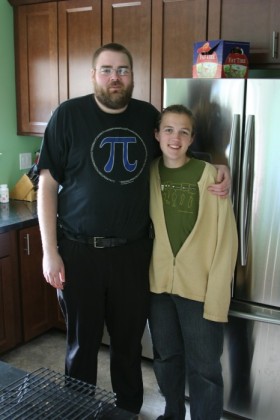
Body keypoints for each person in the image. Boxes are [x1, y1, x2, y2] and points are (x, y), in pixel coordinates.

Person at [37, 43, 231, 415]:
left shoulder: (147, 117)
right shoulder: (68, 116)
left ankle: (127, 413)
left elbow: (179, 154)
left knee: (127, 348)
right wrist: (49, 251)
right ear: (93, 75)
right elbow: (46, 185)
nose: (115, 77)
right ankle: (78, 412)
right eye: (107, 70)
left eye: (123, 70)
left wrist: (221, 167)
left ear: (132, 76)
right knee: (81, 346)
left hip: (133, 253)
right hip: (78, 252)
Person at [148, 104, 238, 420]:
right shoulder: (149, 174)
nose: (175, 138)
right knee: (166, 358)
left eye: (183, 131)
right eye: (169, 130)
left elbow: (226, 241)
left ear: (192, 138)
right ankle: (172, 413)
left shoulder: (210, 176)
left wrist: (217, 296)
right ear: (157, 134)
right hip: (158, 288)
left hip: (199, 292)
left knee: (205, 368)